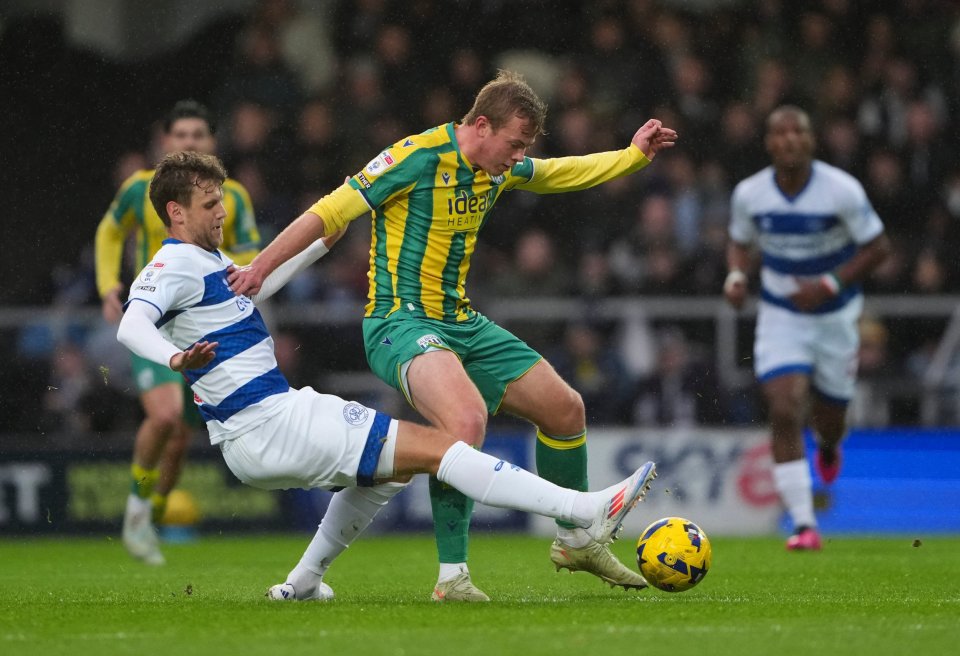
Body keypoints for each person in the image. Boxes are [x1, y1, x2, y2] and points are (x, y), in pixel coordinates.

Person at [116, 150, 658, 601]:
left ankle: (303, 582)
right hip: (269, 425)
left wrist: (315, 246)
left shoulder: (211, 265)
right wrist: (170, 359)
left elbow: (260, 282)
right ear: (176, 212)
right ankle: (582, 508)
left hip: (266, 428)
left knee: (386, 473)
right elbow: (131, 322)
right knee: (438, 448)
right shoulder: (173, 266)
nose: (220, 213)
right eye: (209, 204)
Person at [229, 69, 677, 600]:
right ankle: (452, 577)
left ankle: (577, 538)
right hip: (399, 322)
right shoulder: (416, 157)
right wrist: (260, 268)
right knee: (465, 422)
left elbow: (558, 173)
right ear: (481, 125)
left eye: (522, 148)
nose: (516, 158)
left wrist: (630, 155)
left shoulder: (496, 167)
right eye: (513, 144)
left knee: (565, 409)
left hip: (461, 321)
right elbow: (329, 211)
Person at [95, 100, 261, 565]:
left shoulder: (235, 197)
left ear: (211, 144)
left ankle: (152, 508)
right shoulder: (139, 189)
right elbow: (110, 232)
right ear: (165, 142)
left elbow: (252, 257)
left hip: (208, 328)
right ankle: (135, 513)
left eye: (198, 136)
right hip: (157, 324)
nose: (189, 143)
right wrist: (109, 283)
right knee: (166, 418)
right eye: (180, 135)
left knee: (182, 438)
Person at [723, 105, 891, 551]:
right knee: (783, 406)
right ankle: (803, 524)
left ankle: (830, 447)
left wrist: (831, 283)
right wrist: (736, 277)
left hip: (836, 317)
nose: (790, 139)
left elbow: (879, 247)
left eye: (799, 130)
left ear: (811, 140)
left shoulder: (841, 190)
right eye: (780, 132)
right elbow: (739, 244)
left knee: (830, 420)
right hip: (782, 315)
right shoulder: (751, 194)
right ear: (769, 143)